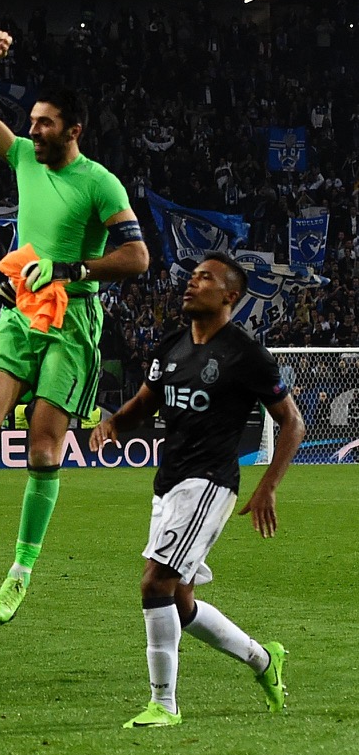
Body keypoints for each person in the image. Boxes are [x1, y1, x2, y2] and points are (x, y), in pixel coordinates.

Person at [0, 28, 149, 623]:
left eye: (45, 123)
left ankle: (20, 571)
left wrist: (70, 268)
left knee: (43, 447)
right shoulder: (21, 156)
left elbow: (138, 257)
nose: (33, 130)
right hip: (21, 311)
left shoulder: (100, 183)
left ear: (74, 130)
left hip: (73, 319)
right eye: (33, 121)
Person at [91, 254, 303, 728]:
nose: (192, 283)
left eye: (205, 278)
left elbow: (292, 422)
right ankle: (263, 660)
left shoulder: (246, 354)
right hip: (169, 482)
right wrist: (114, 423)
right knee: (179, 601)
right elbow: (145, 402)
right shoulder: (172, 345)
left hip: (210, 483)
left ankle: (164, 705)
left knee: (155, 583)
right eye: (192, 276)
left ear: (230, 295)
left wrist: (268, 487)